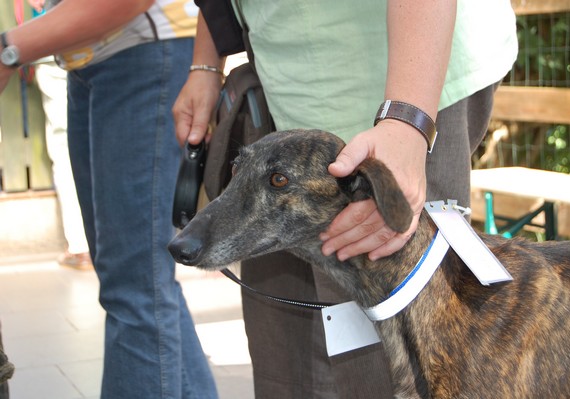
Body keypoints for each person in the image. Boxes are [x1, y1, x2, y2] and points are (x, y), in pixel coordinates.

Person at [174, 0, 518, 397]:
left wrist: (409, 121)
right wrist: (205, 65)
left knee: (407, 367)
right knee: (287, 364)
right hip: (282, 79)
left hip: (408, 73)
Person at [0, 1, 218, 398]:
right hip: (94, 55)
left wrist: (9, 49)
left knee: (136, 288)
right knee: (141, 281)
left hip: (142, 47)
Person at [28, 0, 91, 270]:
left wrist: (12, 46)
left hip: (69, 38)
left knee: (66, 145)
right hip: (77, 44)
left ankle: (80, 245)